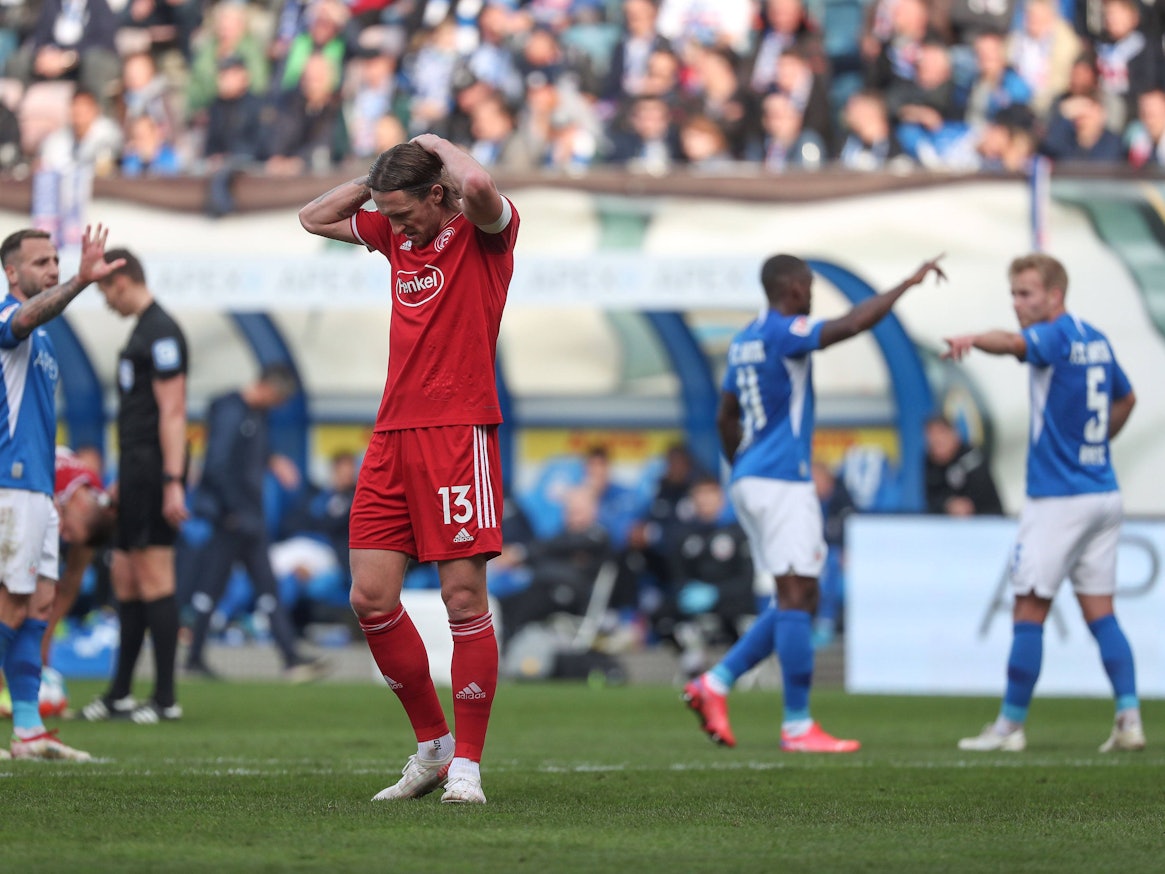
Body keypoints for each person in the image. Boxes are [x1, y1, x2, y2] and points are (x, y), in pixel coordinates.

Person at [298, 134, 519, 804]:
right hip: (392, 433)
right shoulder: (399, 236)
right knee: (369, 597)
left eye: (406, 213)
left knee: (461, 598)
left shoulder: (483, 234)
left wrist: (430, 144)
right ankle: (433, 745)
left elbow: (479, 187)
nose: (393, 229)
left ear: (435, 192)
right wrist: (378, 183)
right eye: (386, 218)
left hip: (459, 432)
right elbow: (313, 217)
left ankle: (469, 768)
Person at [682, 252, 946, 751]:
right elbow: (850, 324)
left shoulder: (744, 342)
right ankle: (798, 725)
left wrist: (741, 464)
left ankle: (714, 683)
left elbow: (725, 416)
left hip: (752, 477)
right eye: (808, 285)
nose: (812, 294)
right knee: (800, 590)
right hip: (782, 480)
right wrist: (905, 284)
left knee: (797, 595)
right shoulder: (785, 330)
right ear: (794, 289)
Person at [944, 253, 1144, 753]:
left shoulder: (1052, 336)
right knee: (1102, 614)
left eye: (1026, 293)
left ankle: (1009, 728)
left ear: (1055, 294)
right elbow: (1128, 398)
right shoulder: (1094, 337)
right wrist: (1094, 448)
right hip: (1103, 493)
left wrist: (972, 338)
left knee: (1029, 608)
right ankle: (1129, 719)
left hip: (1058, 499)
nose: (1017, 303)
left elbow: (1012, 344)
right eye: (1013, 293)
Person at [0, 225, 123, 760]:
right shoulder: (11, 317)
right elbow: (29, 315)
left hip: (39, 492)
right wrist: (78, 280)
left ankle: (27, 729)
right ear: (12, 272)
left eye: (56, 260)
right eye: (40, 262)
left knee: (41, 605)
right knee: (11, 604)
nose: (50, 268)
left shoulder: (44, 338)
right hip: (14, 482)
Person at [82, 248, 189, 725]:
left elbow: (173, 412)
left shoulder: (163, 331)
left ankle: (165, 698)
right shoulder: (143, 331)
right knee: (124, 575)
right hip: (135, 471)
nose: (105, 300)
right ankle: (120, 693)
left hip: (153, 470)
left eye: (104, 288)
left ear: (120, 280)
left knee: (153, 576)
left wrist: (171, 482)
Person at [184, 364, 331, 682]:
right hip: (232, 518)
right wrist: (231, 510)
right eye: (279, 398)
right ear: (269, 389)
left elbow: (252, 451)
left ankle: (290, 657)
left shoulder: (255, 415)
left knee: (266, 588)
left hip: (250, 519)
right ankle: (195, 657)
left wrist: (273, 459)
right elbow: (217, 464)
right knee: (214, 587)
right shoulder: (231, 411)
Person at [924, 416, 1004, 516]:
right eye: (933, 441)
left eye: (941, 435)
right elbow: (932, 497)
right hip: (948, 526)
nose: (936, 441)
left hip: (987, 520)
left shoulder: (971, 456)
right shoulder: (931, 462)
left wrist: (964, 505)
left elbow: (983, 493)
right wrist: (948, 504)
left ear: (954, 434)